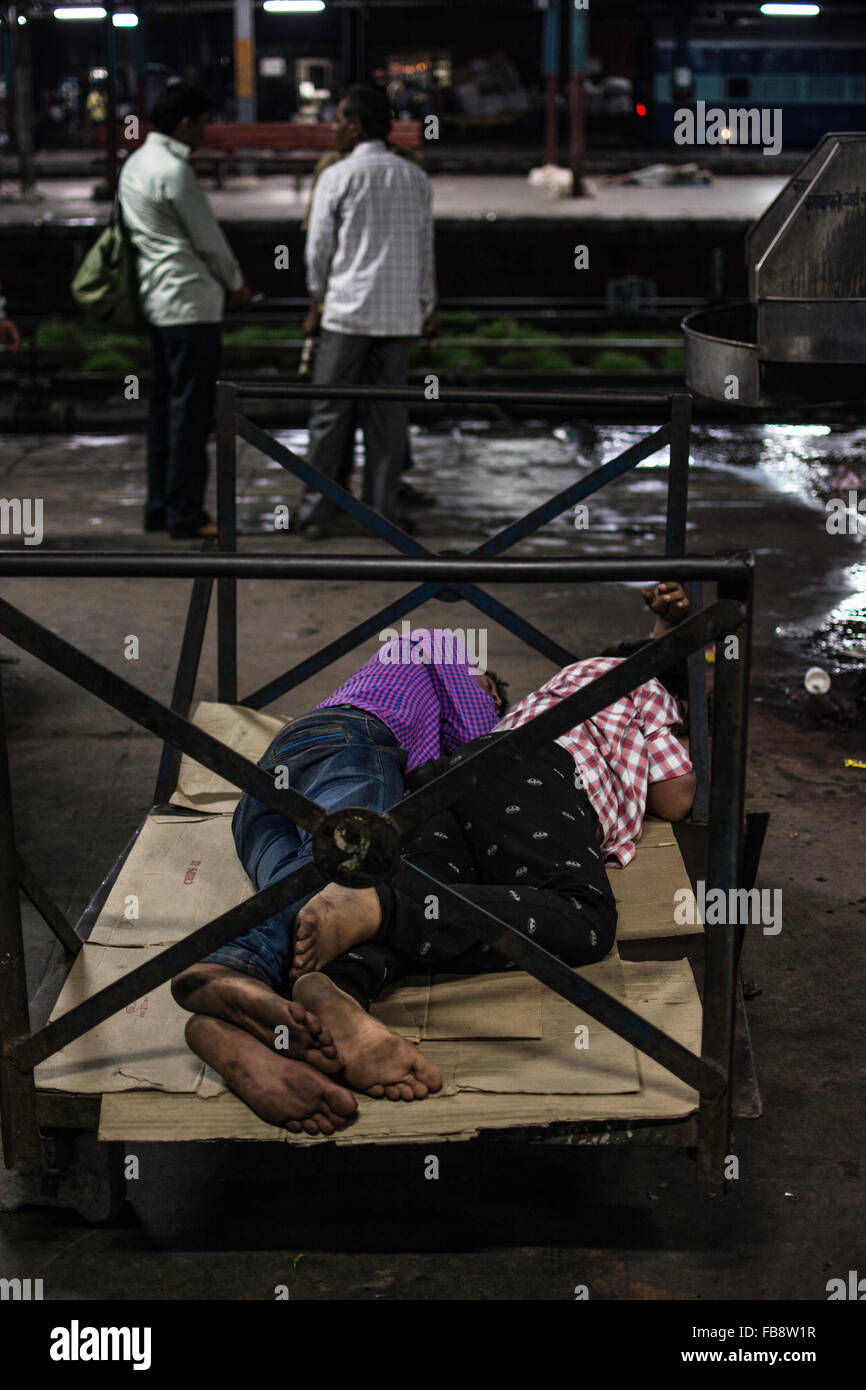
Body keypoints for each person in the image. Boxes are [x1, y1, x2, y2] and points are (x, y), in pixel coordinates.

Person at [171, 628, 504, 1133]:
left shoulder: (399, 679)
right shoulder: (445, 654)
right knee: (347, 860)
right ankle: (227, 970)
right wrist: (499, 715)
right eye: (490, 692)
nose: (486, 699)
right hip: (354, 744)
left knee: (299, 889)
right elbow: (474, 748)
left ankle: (233, 1021)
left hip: (266, 790)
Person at [296, 85, 437, 539]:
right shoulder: (414, 177)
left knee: (329, 415)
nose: (334, 128)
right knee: (388, 419)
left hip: (346, 314)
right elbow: (425, 251)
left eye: (338, 119)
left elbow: (318, 249)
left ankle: (318, 512)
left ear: (356, 125)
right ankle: (382, 514)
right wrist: (426, 306)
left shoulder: (338, 177)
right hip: (397, 318)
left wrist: (317, 297)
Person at [118, 82, 252, 539]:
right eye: (205, 121)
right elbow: (208, 240)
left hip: (157, 301)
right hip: (191, 304)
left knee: (163, 412)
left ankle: (158, 507)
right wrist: (236, 284)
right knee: (192, 416)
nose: (208, 131)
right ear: (186, 123)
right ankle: (186, 514)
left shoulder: (135, 163)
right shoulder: (175, 171)